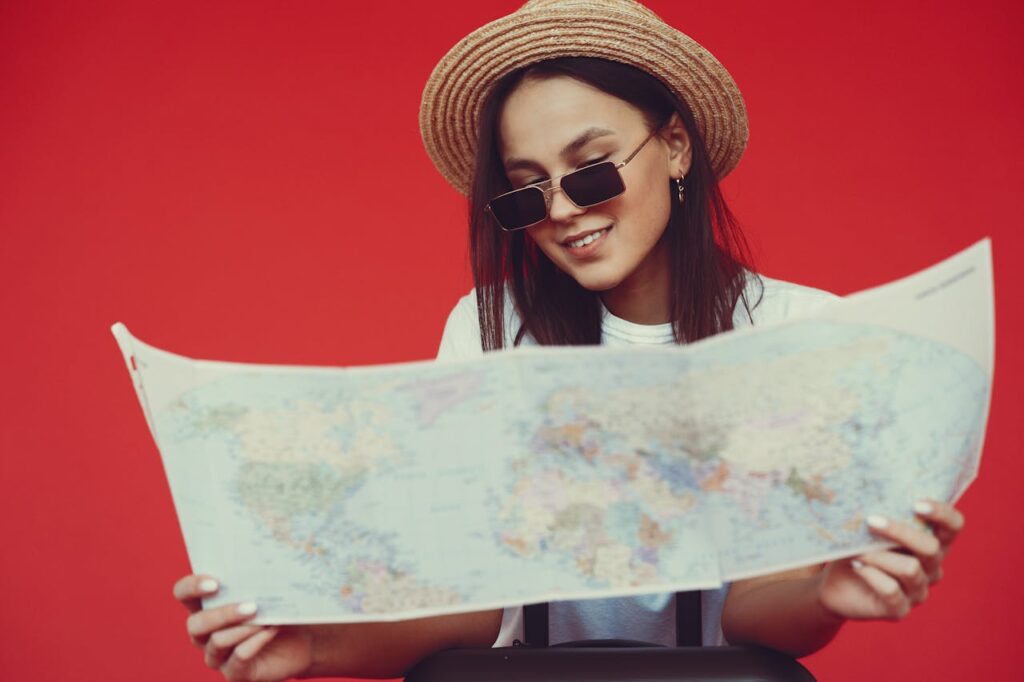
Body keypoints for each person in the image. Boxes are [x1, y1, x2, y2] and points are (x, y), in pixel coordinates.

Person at [172, 1, 966, 679]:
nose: (560, 210)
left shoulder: (801, 331)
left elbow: (762, 607)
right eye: (525, 190)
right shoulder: (488, 328)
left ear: (677, 147)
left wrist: (828, 591)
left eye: (591, 170)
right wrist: (314, 644)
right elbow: (474, 605)